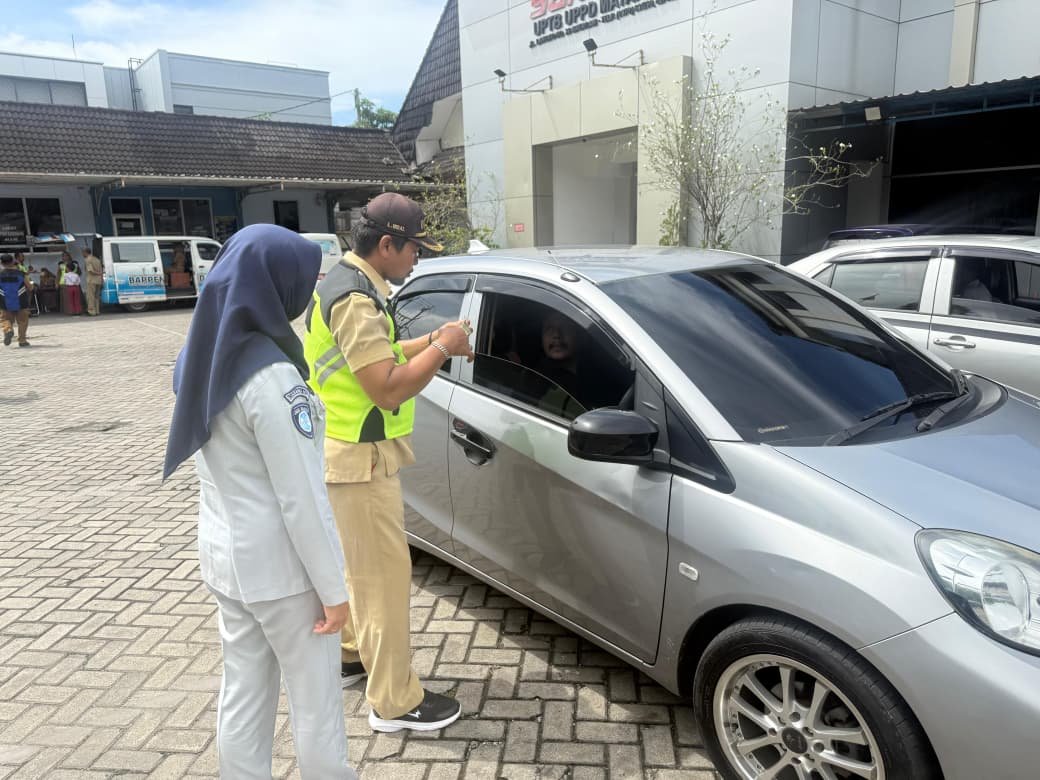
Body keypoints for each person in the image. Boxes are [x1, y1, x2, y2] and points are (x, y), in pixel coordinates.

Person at [162, 224, 358, 779]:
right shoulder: (272, 377)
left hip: (226, 557)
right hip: (286, 571)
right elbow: (301, 498)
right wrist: (334, 590)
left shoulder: (199, 356)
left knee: (243, 691)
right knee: (317, 703)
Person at [303, 192, 473, 733]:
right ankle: (395, 702)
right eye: (414, 249)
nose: (418, 259)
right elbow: (384, 386)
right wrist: (442, 351)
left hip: (348, 455)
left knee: (362, 572)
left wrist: (434, 338)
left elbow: (379, 354)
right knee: (384, 578)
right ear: (386, 244)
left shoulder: (345, 285)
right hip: (360, 460)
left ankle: (352, 656)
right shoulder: (355, 299)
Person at [0, 254, 31, 347]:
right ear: (13, 261)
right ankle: (22, 340)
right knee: (22, 321)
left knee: (5, 319)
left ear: (1, 263)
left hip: (4, 302)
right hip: (21, 301)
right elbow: (30, 287)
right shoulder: (21, 273)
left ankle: (8, 329)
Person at [83, 246, 103, 316]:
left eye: (83, 253)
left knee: (90, 296)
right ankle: (97, 311)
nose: (82, 254)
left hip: (91, 280)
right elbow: (101, 269)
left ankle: (91, 311)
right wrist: (100, 275)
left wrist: (98, 273)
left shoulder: (88, 260)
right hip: (98, 280)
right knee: (97, 296)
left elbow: (90, 271)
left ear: (85, 252)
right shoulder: (97, 259)